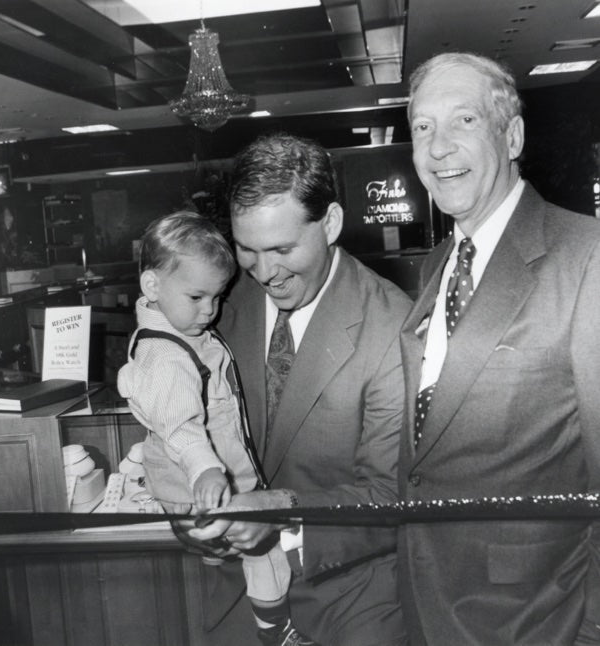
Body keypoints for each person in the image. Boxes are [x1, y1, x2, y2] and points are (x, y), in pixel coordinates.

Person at [398, 51, 600, 645]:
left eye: (463, 121)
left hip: (539, 619)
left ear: (510, 136)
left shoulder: (587, 258)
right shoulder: (438, 264)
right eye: (422, 128)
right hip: (429, 604)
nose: (437, 149)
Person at [185, 133, 412, 646]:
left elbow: (388, 496)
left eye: (283, 249)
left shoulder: (393, 326)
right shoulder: (215, 303)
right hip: (234, 597)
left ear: (330, 223)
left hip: (350, 599)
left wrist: (279, 509)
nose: (265, 273)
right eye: (247, 249)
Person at [117, 212, 305, 646]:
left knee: (243, 550)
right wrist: (205, 469)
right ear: (152, 286)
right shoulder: (167, 356)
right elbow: (182, 427)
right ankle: (275, 629)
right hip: (203, 482)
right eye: (197, 297)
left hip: (195, 487)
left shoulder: (174, 327)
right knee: (263, 550)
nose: (210, 310)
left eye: (217, 297)